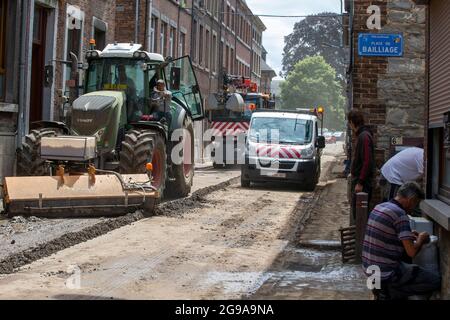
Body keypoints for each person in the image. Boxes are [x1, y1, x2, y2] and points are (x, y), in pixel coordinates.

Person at [362, 182, 441, 300]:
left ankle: (385, 291)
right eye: (416, 204)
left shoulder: (380, 206)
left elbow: (387, 235)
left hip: (370, 269)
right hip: (386, 273)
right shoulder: (400, 215)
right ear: (411, 199)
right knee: (435, 281)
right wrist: (421, 238)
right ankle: (391, 291)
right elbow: (411, 252)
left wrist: (407, 236)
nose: (414, 208)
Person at [348, 110, 375, 222]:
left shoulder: (364, 137)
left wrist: (360, 182)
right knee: (358, 212)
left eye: (349, 123)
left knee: (359, 214)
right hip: (361, 181)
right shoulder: (363, 136)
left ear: (352, 122)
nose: (350, 126)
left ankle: (360, 239)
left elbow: (367, 161)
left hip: (363, 184)